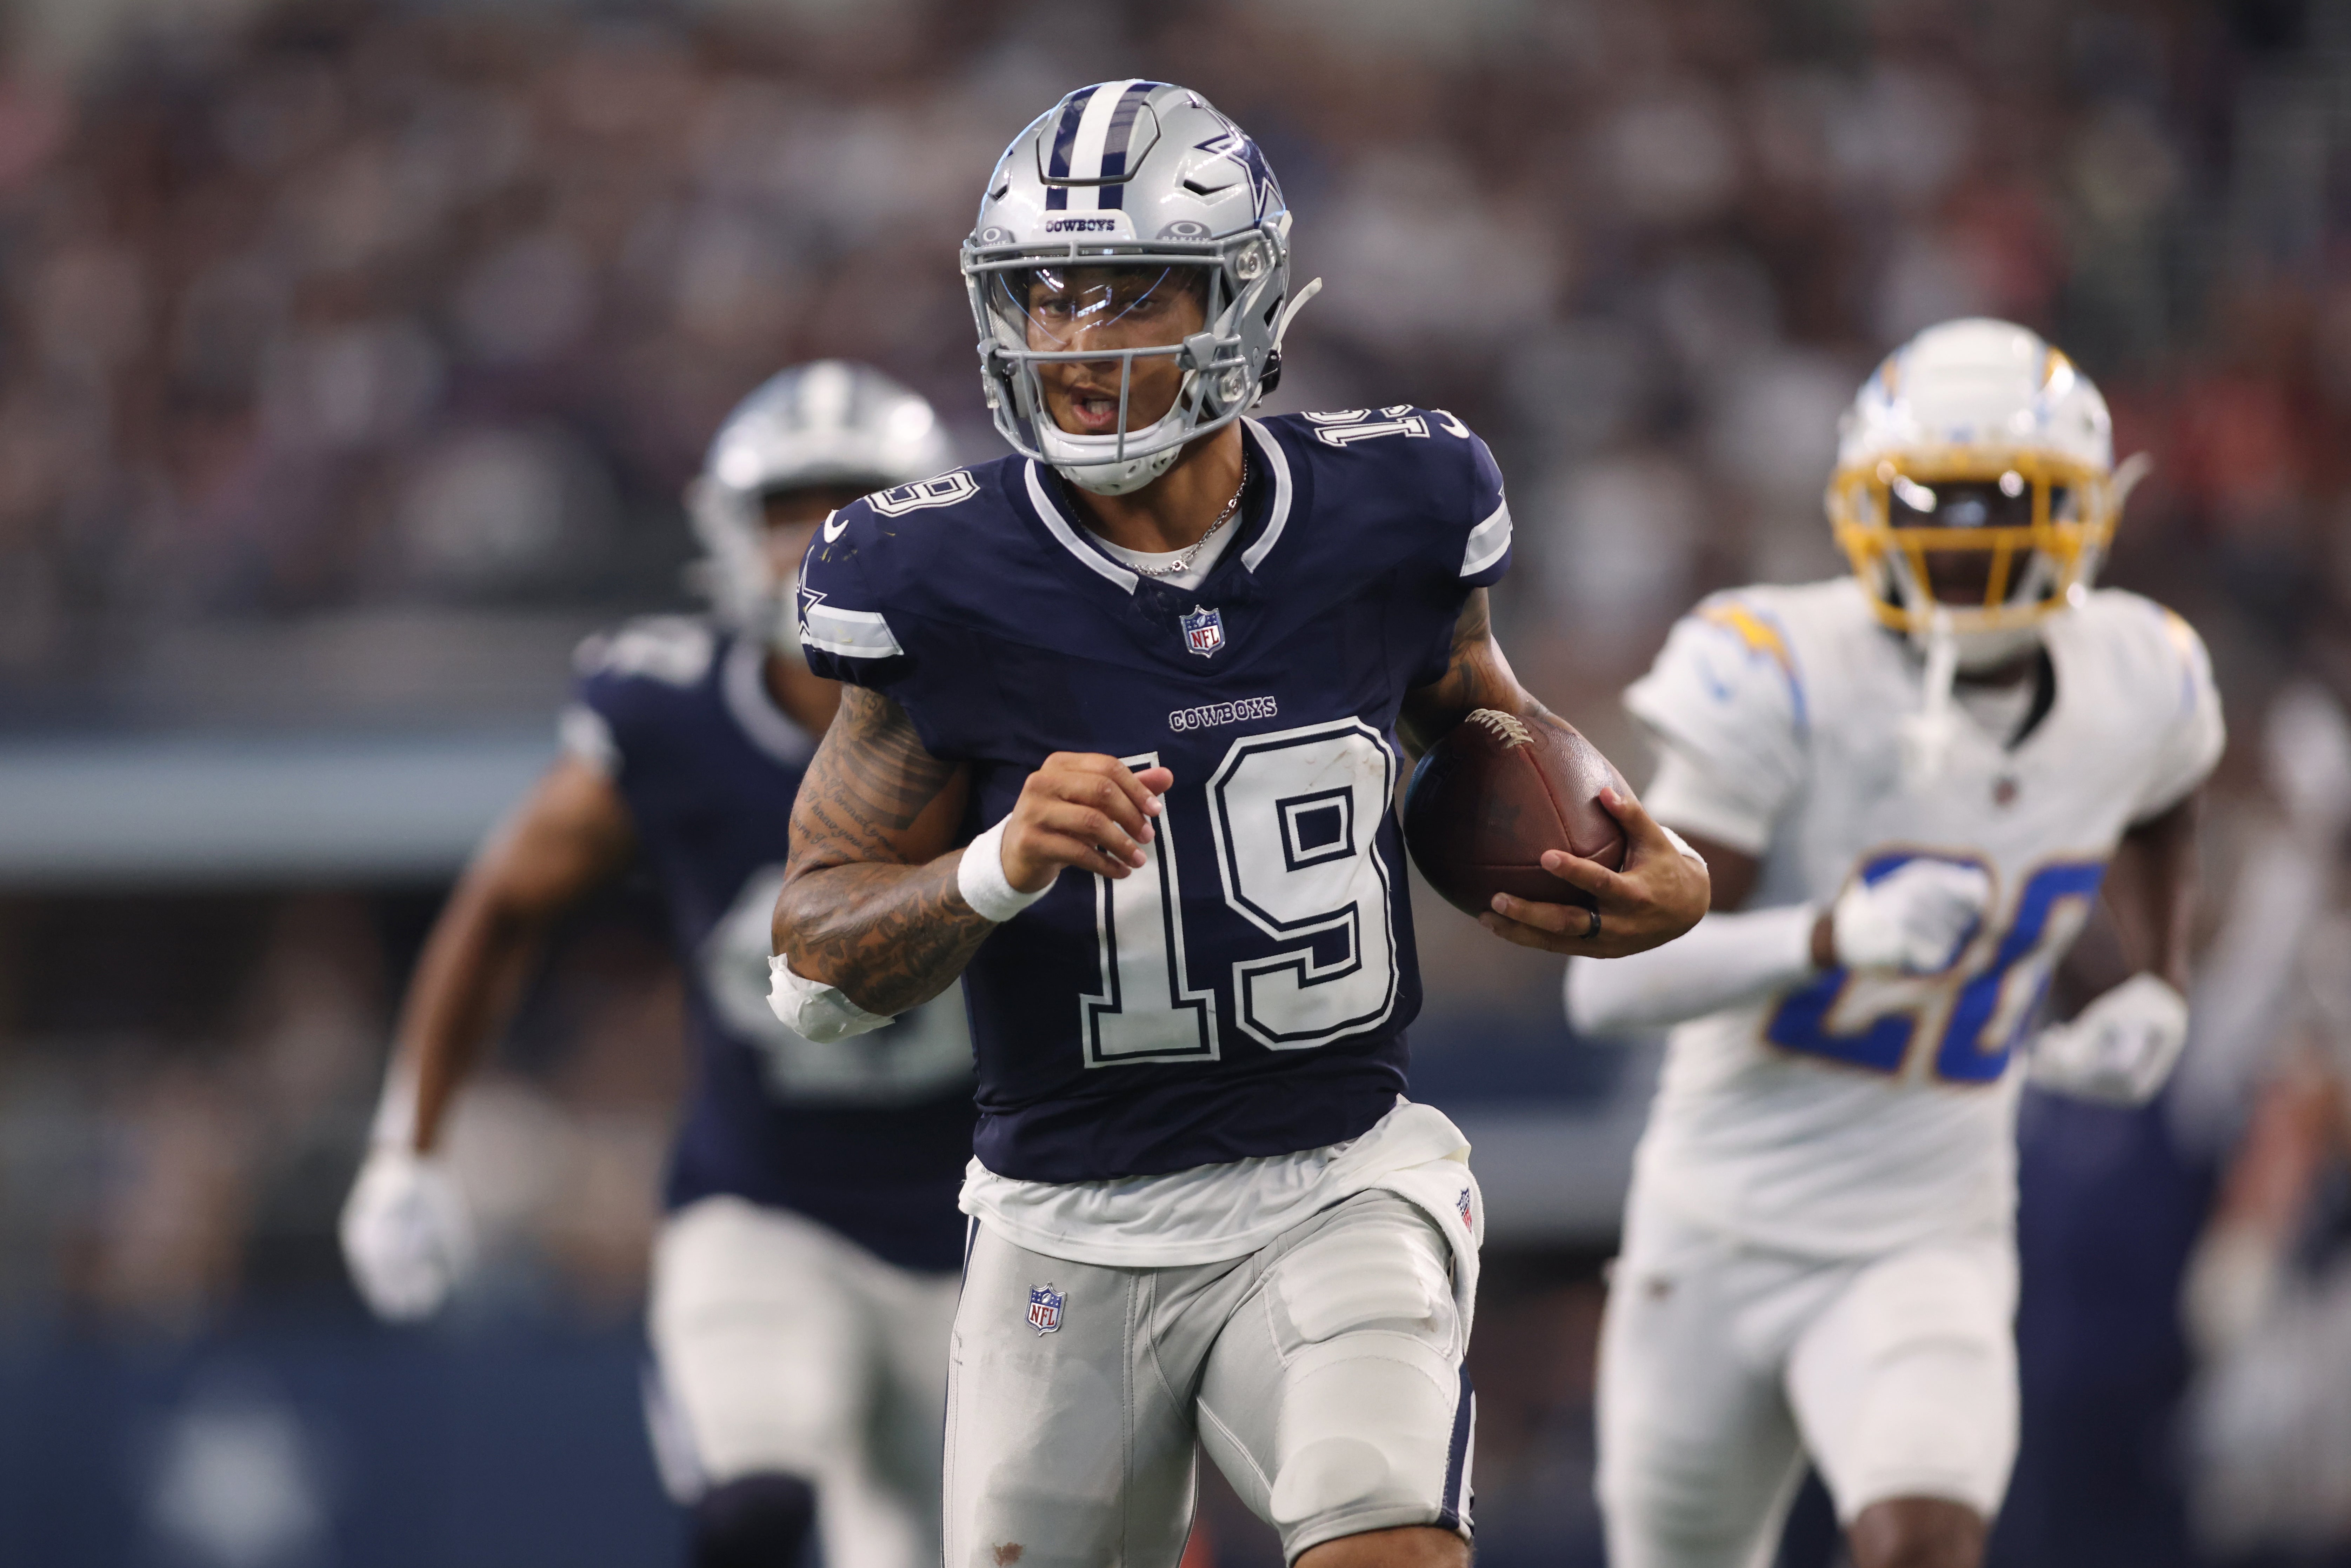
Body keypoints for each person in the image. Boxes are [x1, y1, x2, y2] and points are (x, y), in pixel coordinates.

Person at [767, 81, 1710, 1568]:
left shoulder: (1396, 505)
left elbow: (1482, 718)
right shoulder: (933, 576)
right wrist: (999, 861)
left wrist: (1635, 860)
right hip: (1067, 1215)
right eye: (1046, 298)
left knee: (1382, 1541)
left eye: (1130, 297)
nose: (1076, 345)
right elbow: (811, 968)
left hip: (1338, 1170)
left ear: (1242, 298)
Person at [1565, 318, 2226, 1568]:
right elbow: (1612, 990)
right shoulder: (1776, 666)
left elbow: (2151, 806)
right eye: (1928, 502)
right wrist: (1830, 934)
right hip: (1715, 1230)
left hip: (1929, 1231)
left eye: (2003, 503)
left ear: (2083, 510)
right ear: (1859, 503)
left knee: (1921, 1536)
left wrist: (2152, 985)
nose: (1964, 540)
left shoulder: (2142, 675)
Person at [339, 362, 976, 1568]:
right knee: (757, 1510)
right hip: (768, 1210)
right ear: (723, 531)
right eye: (790, 507)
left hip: (997, 1221)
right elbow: (502, 906)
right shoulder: (672, 714)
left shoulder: (1012, 703)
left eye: (851, 504)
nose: (816, 542)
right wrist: (403, 1146)